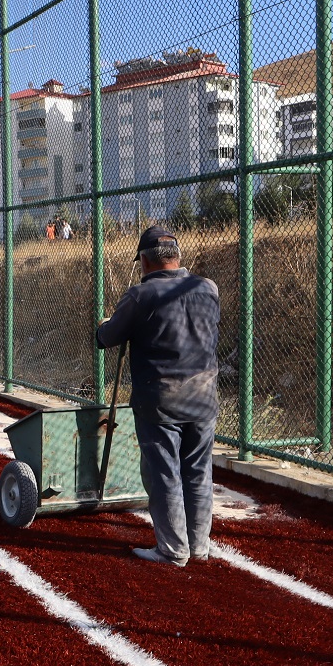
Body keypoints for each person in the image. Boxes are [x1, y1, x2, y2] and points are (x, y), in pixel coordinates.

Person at [95, 226, 221, 567]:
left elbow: (106, 338)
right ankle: (198, 546)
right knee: (198, 471)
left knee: (165, 472)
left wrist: (106, 324)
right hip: (204, 397)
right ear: (177, 257)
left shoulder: (141, 296)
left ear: (146, 261)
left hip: (161, 399)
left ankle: (172, 550)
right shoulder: (208, 288)